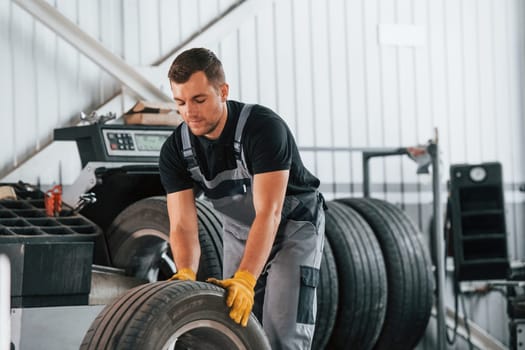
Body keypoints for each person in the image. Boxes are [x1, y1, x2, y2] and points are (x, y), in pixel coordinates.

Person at [159, 47, 325, 349]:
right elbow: (183, 224)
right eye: (180, 102)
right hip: (239, 231)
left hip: (293, 228)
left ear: (223, 91)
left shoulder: (262, 128)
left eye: (198, 100)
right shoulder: (175, 150)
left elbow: (270, 212)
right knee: (235, 325)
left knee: (281, 331)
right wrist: (185, 271)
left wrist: (246, 279)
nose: (189, 112)